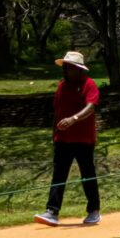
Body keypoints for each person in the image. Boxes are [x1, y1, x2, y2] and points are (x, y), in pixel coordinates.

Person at [38, 50, 103, 227]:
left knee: (87, 174)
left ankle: (94, 210)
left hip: (83, 140)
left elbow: (91, 107)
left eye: (69, 67)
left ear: (78, 69)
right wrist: (55, 135)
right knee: (59, 175)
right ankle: (52, 212)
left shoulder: (89, 85)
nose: (65, 70)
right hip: (62, 139)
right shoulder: (62, 86)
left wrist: (74, 119)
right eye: (65, 67)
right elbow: (57, 111)